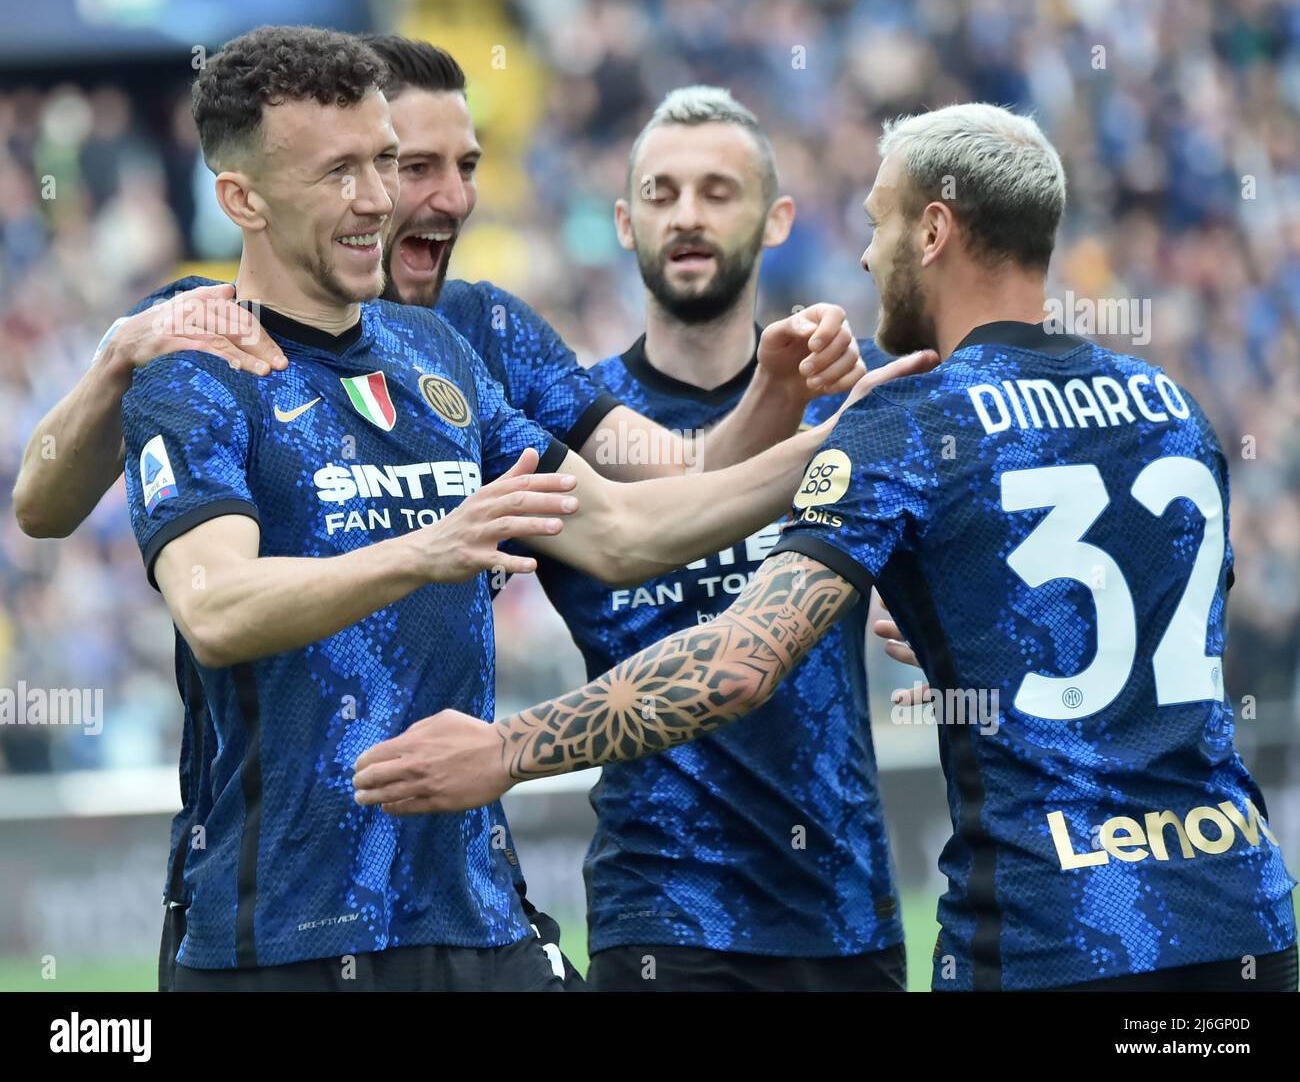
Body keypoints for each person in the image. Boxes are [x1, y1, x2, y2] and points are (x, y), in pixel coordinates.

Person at [355, 103, 1299, 993]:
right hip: (1241, 908)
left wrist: (509, 747)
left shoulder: (907, 420)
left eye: (878, 223)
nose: (862, 251)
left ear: (932, 233)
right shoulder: (1170, 405)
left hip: (1059, 927)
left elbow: (736, 664)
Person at [11, 33, 865, 990]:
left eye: (388, 162)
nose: (383, 198)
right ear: (243, 198)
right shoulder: (197, 352)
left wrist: (841, 445)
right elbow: (213, 608)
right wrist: (427, 548)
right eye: (344, 170)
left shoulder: (444, 348)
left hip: (476, 912)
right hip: (285, 923)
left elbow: (627, 530)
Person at [528, 86, 906, 991]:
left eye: (717, 191)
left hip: (843, 917)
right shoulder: (566, 428)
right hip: (660, 916)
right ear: (623, 222)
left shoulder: (855, 408)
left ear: (777, 219)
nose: (686, 215)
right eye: (659, 194)